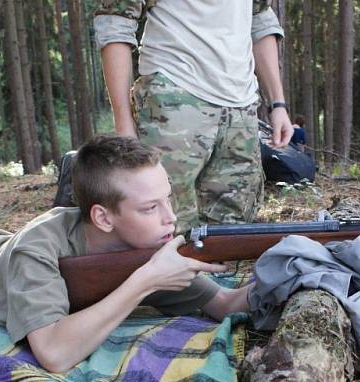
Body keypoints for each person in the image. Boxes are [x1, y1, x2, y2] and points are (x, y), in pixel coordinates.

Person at [0, 134, 252, 374]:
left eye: (167, 200)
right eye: (151, 208)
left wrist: (294, 262)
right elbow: (54, 353)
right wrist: (146, 281)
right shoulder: (40, 247)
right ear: (102, 216)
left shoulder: (141, 246)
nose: (171, 219)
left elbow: (225, 304)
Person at [94, 1, 294, 233]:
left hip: (241, 109)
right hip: (175, 100)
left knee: (233, 230)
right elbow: (115, 20)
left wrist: (277, 103)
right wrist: (123, 122)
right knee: (167, 228)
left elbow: (259, 17)